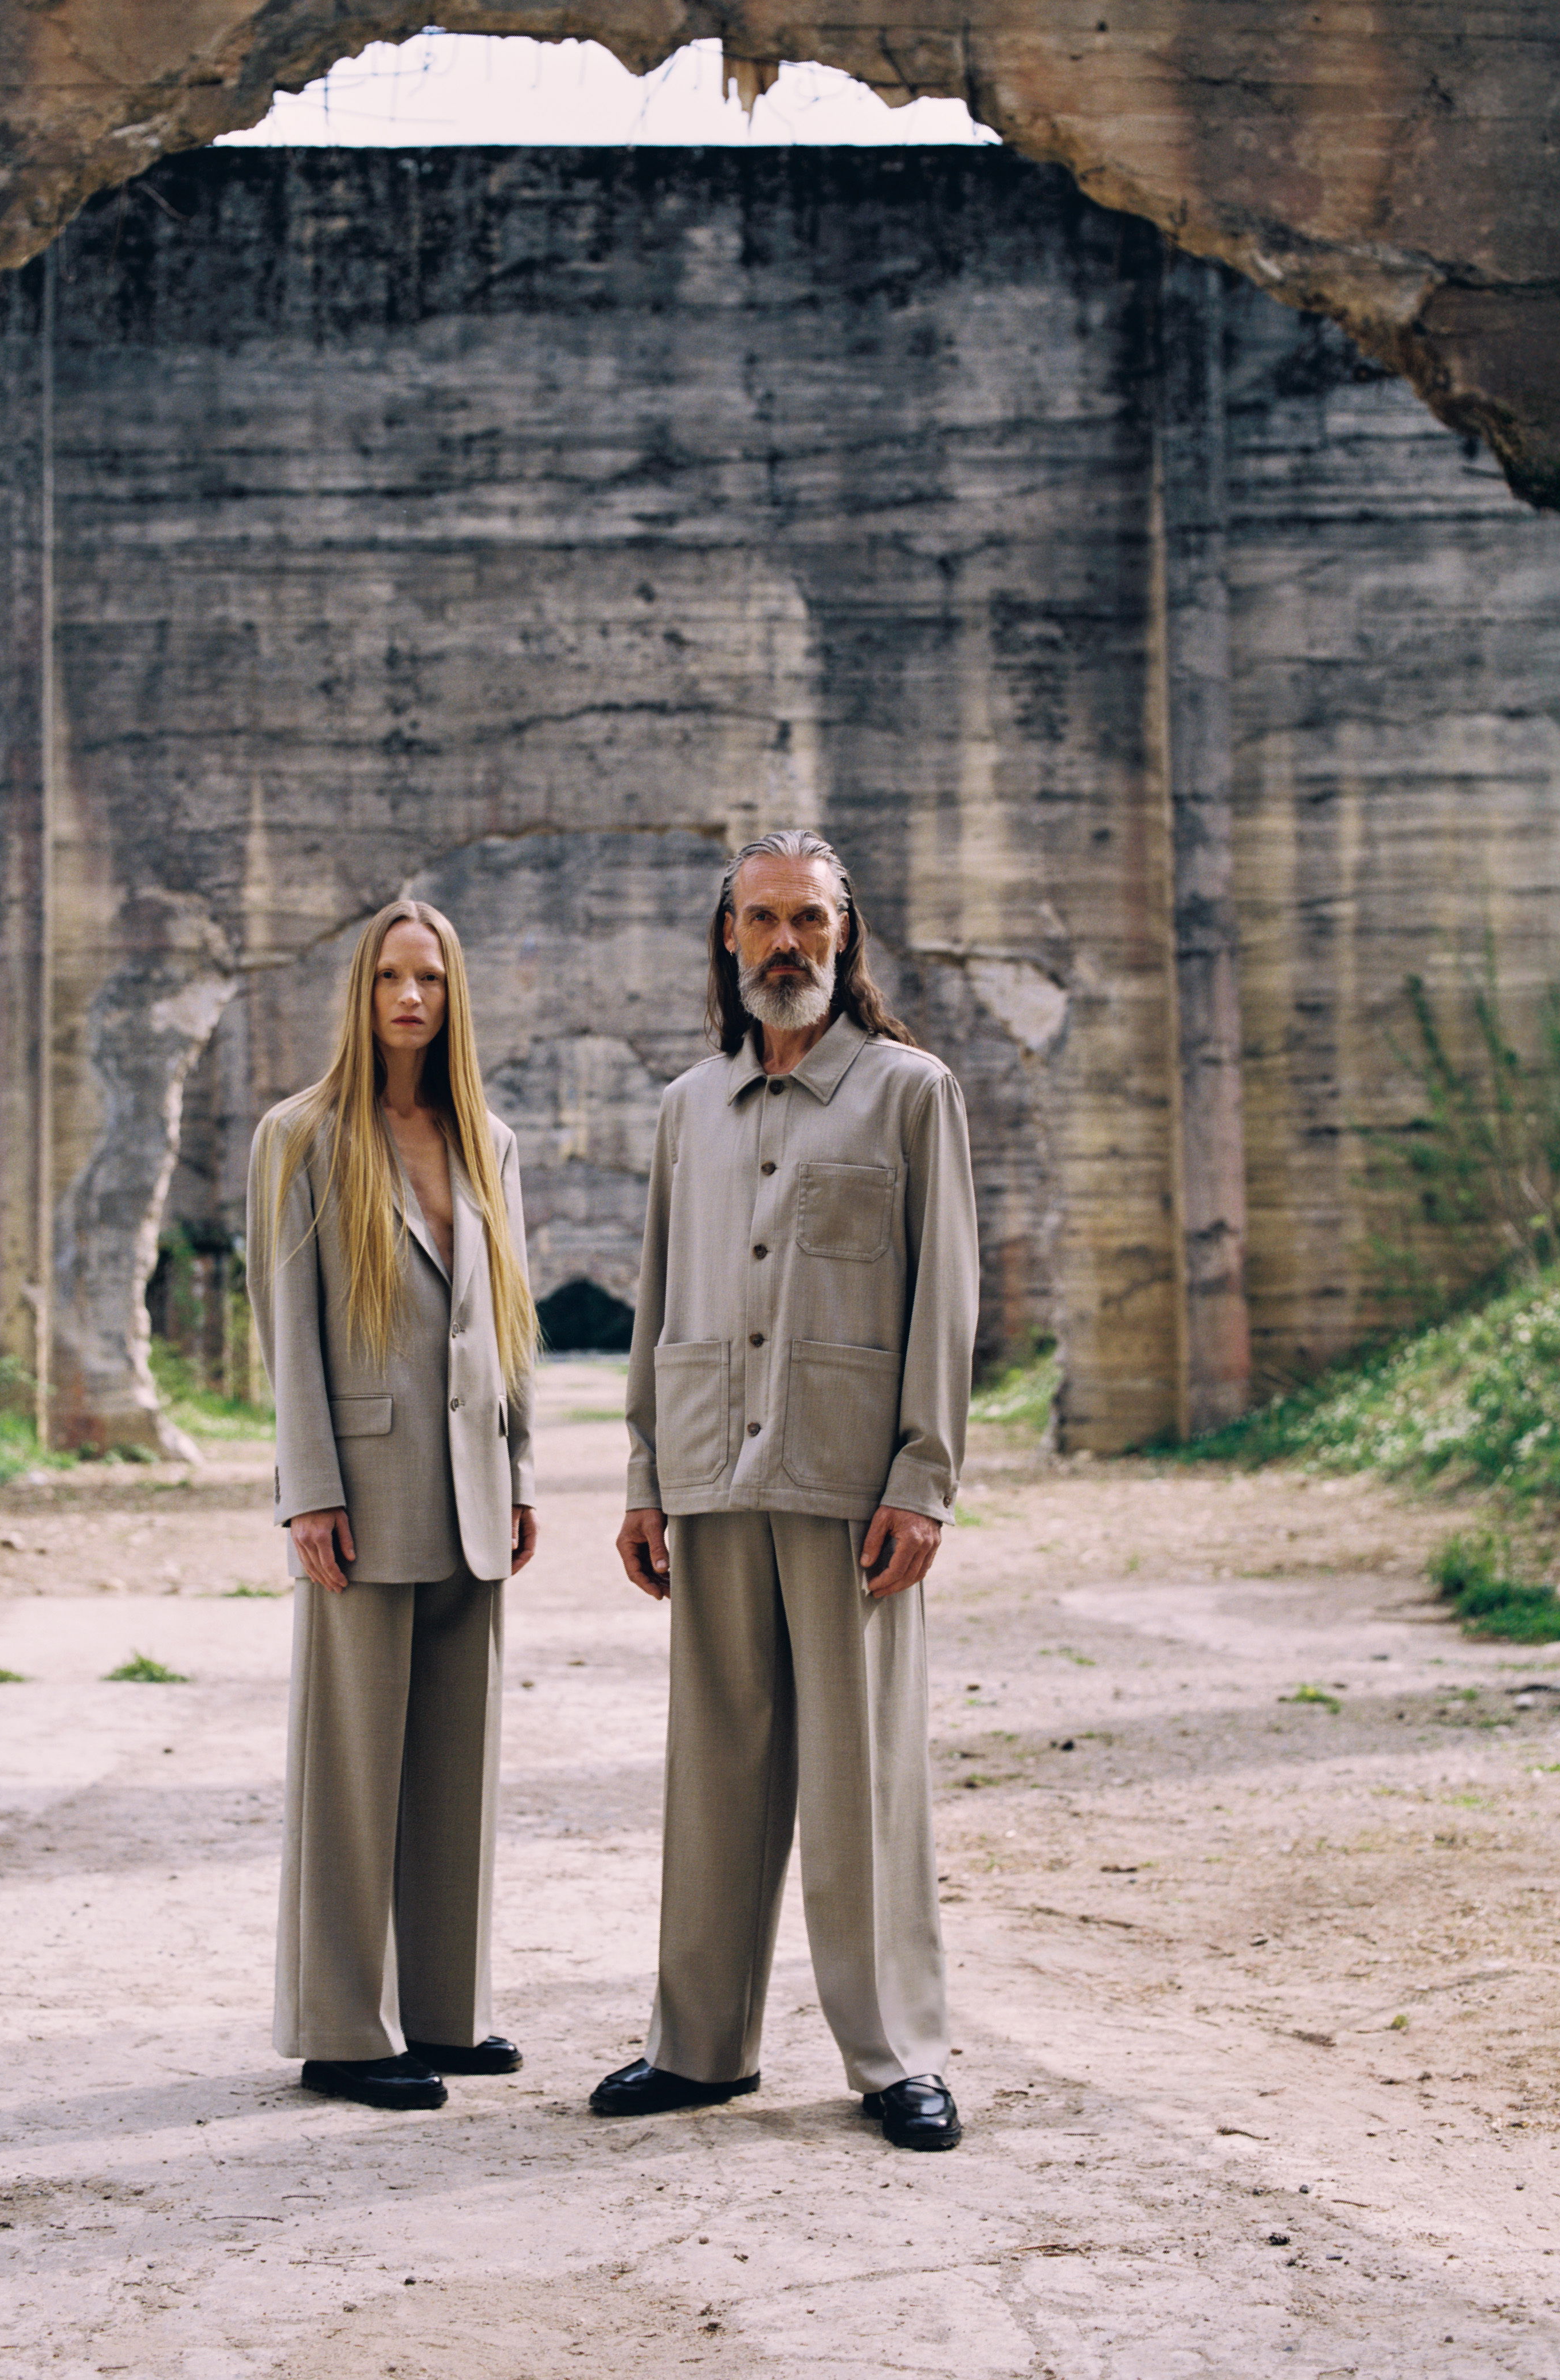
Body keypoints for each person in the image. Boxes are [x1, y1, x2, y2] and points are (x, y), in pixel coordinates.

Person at [590, 828, 978, 2151]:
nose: (783, 944)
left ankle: (895, 2054)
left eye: (807, 919)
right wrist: (643, 1473)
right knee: (714, 1766)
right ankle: (698, 2048)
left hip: (848, 1481)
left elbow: (944, 1302)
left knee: (862, 1778)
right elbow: (655, 1302)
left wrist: (922, 1479)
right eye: (759, 919)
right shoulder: (684, 1107)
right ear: (724, 936)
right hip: (706, 1471)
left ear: (844, 933)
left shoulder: (910, 1093)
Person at [246, 898, 538, 2111]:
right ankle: (341, 2028)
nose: (410, 999)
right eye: (389, 979)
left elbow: (503, 1332)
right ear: (359, 994)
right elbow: (288, 1328)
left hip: (472, 1493)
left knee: (454, 1764)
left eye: (429, 980)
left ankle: (443, 2013)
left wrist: (519, 1472)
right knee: (354, 1767)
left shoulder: (488, 1142)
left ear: (453, 996)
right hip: (359, 1495)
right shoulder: (302, 1134)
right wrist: (307, 1489)